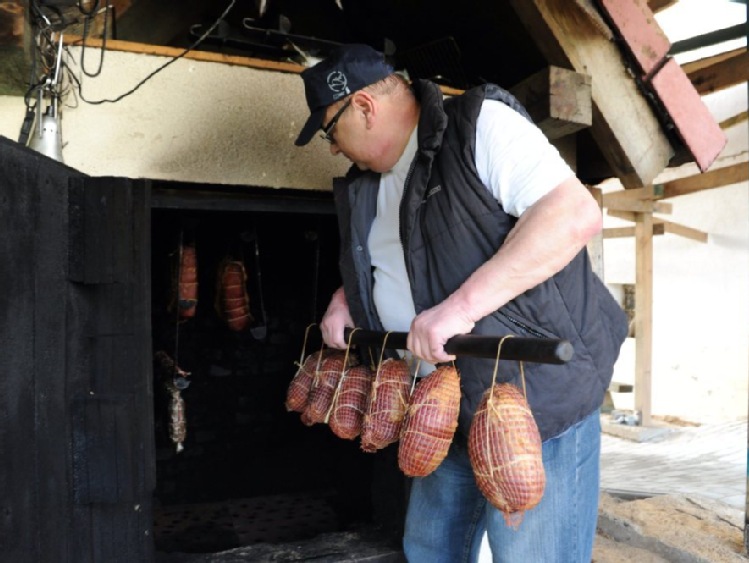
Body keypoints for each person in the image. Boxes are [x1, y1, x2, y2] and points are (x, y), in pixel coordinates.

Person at [294, 43, 628, 563]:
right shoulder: (368, 185)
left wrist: (462, 308)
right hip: (440, 405)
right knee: (429, 549)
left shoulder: (477, 123)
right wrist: (346, 299)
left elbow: (572, 214)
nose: (334, 149)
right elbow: (389, 262)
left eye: (329, 131)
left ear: (363, 107)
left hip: (532, 406)